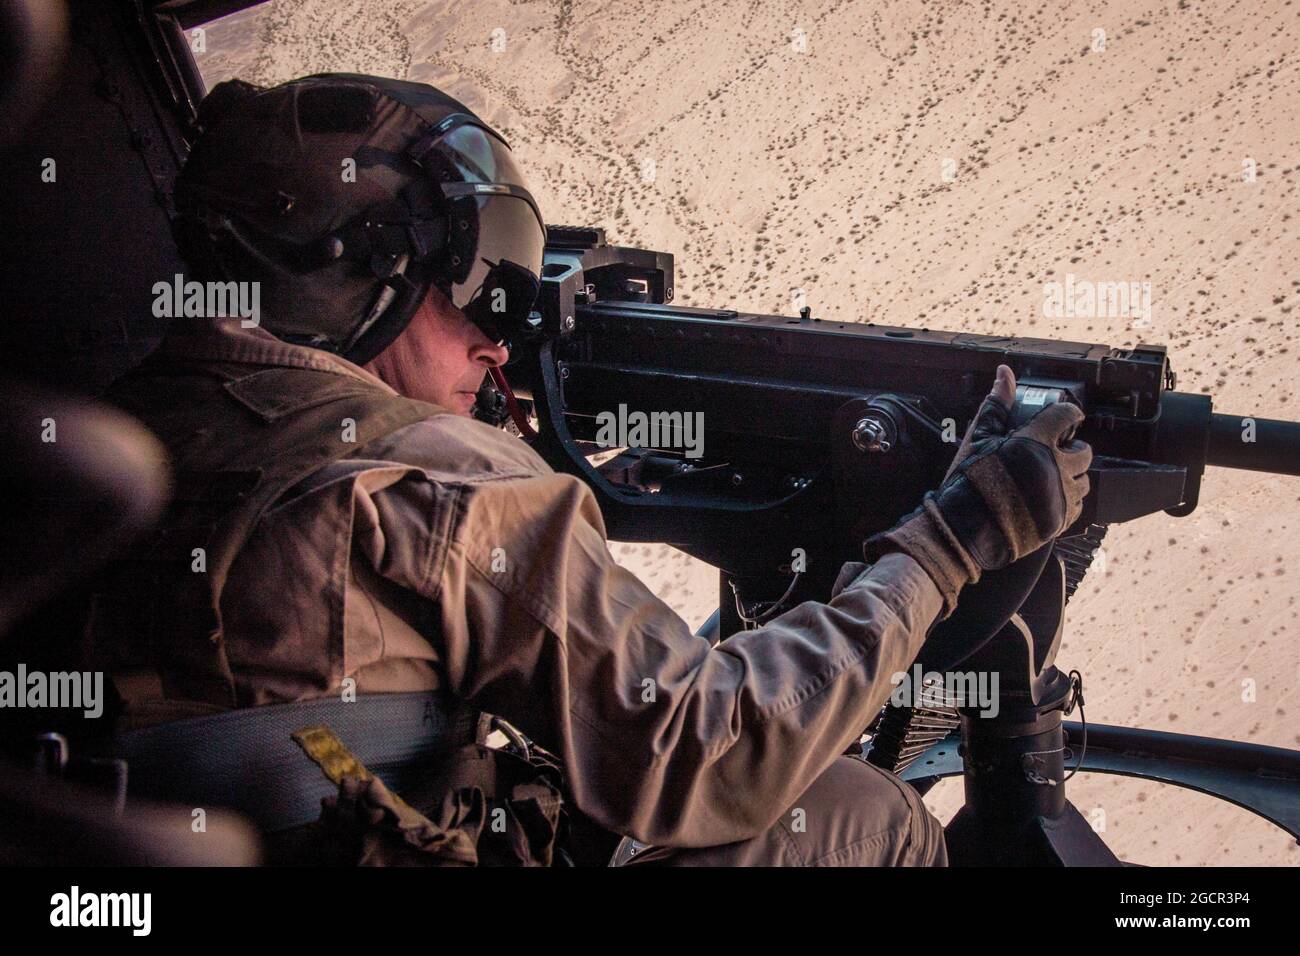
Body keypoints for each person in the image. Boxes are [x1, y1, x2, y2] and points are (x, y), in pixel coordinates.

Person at [88, 73, 1092, 866]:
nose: (499, 342)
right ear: (358, 278)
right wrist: (942, 547)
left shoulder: (104, 437)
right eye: (477, 287)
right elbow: (707, 748)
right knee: (864, 818)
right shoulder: (418, 469)